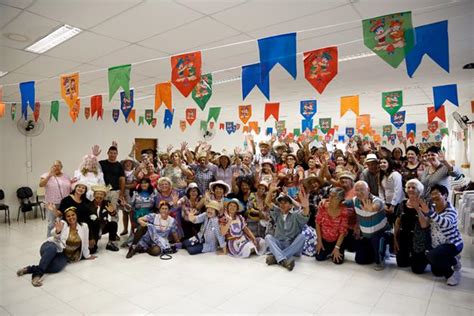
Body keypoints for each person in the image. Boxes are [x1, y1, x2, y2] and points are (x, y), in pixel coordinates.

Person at [17, 207, 96, 287]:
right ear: (65, 218)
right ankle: (37, 275)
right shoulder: (63, 224)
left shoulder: (84, 226)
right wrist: (58, 231)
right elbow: (53, 233)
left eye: (73, 215)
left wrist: (87, 255)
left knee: (56, 267)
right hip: (51, 246)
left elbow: (85, 242)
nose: (71, 217)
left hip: (62, 253)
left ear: (76, 215)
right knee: (52, 248)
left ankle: (30, 269)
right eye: (68, 216)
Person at [416, 184, 464, 286]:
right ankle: (453, 261)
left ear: (445, 195)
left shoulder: (452, 210)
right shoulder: (432, 208)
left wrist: (429, 213)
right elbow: (425, 225)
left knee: (432, 256)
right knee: (437, 272)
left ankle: (451, 275)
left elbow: (446, 223)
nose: (433, 196)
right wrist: (417, 209)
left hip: (452, 243)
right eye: (432, 194)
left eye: (436, 193)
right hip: (436, 244)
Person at [264, 181, 310, 271]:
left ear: (290, 205)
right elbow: (267, 202)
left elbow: (305, 213)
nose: (282, 205)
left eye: (285, 203)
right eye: (281, 203)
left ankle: (277, 258)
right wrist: (270, 191)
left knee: (302, 236)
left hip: (293, 246)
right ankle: (283, 260)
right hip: (280, 243)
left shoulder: (295, 215)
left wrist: (306, 206)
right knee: (268, 237)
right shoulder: (277, 213)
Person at [393, 179, 430, 274]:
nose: (410, 189)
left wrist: (417, 209)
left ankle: (423, 257)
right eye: (408, 187)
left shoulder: (425, 204)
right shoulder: (402, 203)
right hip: (403, 237)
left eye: (413, 187)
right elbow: (397, 223)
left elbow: (424, 225)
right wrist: (395, 240)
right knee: (401, 264)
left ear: (419, 190)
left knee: (417, 270)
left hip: (418, 239)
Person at [352, 181, 389, 270]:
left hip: (381, 234)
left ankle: (381, 257)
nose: (359, 192)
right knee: (360, 260)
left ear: (368, 190)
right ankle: (375, 253)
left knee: (377, 239)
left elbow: (377, 206)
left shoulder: (377, 200)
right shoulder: (355, 200)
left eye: (362, 190)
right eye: (357, 190)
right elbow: (342, 202)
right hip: (366, 235)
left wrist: (371, 209)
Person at [315, 187, 350, 264]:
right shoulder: (323, 206)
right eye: (329, 195)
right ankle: (328, 251)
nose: (329, 198)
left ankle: (336, 249)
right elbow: (317, 224)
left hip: (337, 240)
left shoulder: (344, 211)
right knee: (319, 257)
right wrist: (319, 241)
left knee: (338, 261)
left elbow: (343, 231)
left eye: (332, 196)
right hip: (324, 238)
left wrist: (337, 247)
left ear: (339, 199)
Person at [39, 160, 71, 237]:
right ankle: (49, 241)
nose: (56, 167)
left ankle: (62, 239)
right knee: (51, 223)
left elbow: (70, 187)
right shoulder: (46, 175)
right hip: (52, 203)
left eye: (58, 166)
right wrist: (49, 175)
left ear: (61, 167)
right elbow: (41, 184)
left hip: (64, 203)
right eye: (54, 166)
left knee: (64, 222)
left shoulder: (66, 176)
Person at [89, 185, 120, 252]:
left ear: (104, 196)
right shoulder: (88, 205)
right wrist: (91, 238)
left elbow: (113, 214)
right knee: (92, 250)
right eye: (97, 194)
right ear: (94, 195)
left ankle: (110, 243)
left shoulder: (106, 203)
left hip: (103, 226)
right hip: (93, 230)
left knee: (113, 224)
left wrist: (113, 212)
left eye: (102, 194)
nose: (99, 196)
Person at [98, 145, 125, 210]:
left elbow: (122, 179)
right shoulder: (101, 163)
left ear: (117, 154)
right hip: (104, 191)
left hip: (115, 191)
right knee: (103, 211)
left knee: (114, 211)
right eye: (111, 153)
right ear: (108, 153)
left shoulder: (119, 165)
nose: (113, 155)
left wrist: (121, 193)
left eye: (114, 153)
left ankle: (114, 221)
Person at [378, 157, 404, 225]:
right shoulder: (382, 176)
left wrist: (393, 205)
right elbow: (380, 191)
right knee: (389, 223)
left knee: (397, 224)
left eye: (384, 162)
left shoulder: (395, 174)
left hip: (397, 203)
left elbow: (398, 190)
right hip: (387, 203)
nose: (382, 164)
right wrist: (383, 204)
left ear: (389, 164)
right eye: (380, 163)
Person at [120, 157, 137, 236]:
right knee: (124, 212)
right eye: (126, 162)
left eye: (130, 162)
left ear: (132, 164)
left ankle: (132, 230)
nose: (128, 163)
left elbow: (134, 184)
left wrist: (124, 186)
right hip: (122, 193)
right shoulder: (121, 172)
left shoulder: (134, 172)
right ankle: (125, 229)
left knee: (131, 212)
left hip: (131, 193)